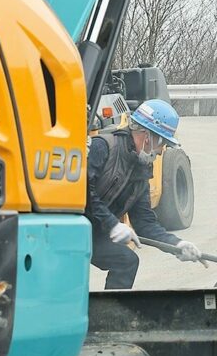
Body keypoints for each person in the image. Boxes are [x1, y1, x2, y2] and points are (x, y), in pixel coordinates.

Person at [87, 99, 204, 289]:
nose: (161, 151)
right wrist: (112, 224)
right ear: (148, 136)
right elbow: (84, 191)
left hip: (93, 234)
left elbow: (145, 223)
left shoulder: (140, 172)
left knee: (126, 261)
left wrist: (176, 244)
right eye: (162, 143)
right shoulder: (102, 147)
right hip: (70, 229)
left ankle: (111, 309)